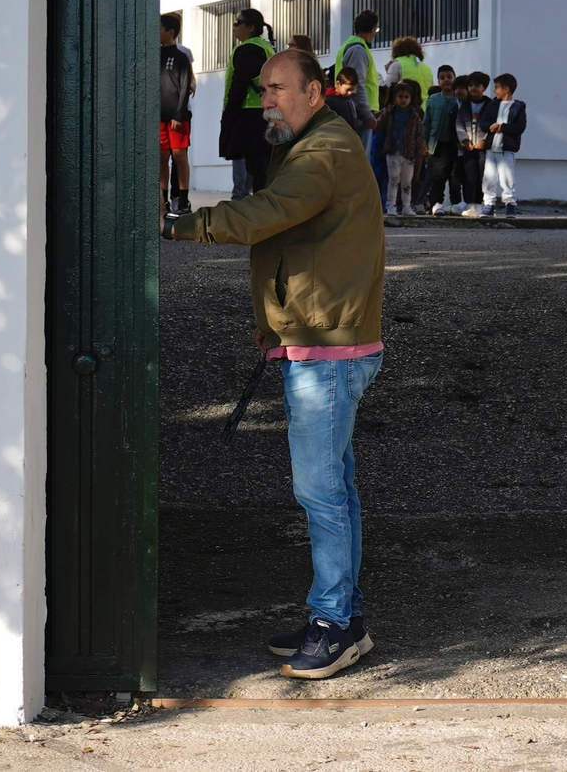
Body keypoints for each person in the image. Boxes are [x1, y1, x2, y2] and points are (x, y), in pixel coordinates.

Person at [162, 48, 386, 681]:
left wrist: (185, 225)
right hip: (317, 341)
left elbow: (269, 214)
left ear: (315, 91)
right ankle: (340, 616)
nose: (267, 100)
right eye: (262, 90)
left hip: (329, 351)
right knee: (333, 489)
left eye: (279, 89)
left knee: (321, 492)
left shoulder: (324, 151)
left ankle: (335, 623)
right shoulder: (312, 143)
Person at [220, 8, 276, 194]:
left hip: (250, 114)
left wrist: (229, 115)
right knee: (263, 169)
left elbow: (239, 85)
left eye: (238, 22)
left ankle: (261, 213)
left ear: (250, 27)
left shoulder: (248, 49)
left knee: (256, 169)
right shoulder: (266, 46)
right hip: (266, 113)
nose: (234, 26)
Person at [159, 13, 197, 217]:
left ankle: (183, 200)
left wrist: (179, 114)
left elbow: (185, 87)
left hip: (178, 117)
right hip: (159, 117)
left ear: (170, 32)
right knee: (162, 157)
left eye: (159, 28)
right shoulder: (153, 55)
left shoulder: (182, 56)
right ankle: (162, 200)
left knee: (179, 155)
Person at [334, 10, 381, 167]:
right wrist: (367, 114)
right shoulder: (359, 50)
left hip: (350, 110)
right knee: (359, 164)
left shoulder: (347, 46)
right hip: (359, 113)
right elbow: (358, 84)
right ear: (373, 29)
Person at [480, 72, 527, 218]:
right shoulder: (492, 105)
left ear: (506, 89)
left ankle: (510, 204)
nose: (495, 91)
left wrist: (502, 127)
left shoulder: (518, 107)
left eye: (497, 88)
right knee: (488, 178)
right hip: (491, 148)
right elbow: (483, 122)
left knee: (507, 178)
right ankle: (489, 204)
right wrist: (490, 127)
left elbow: (519, 128)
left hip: (506, 149)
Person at [377, 82, 426, 216]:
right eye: (400, 97)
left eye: (406, 97)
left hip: (409, 154)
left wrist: (421, 149)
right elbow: (378, 125)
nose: (403, 100)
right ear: (394, 97)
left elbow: (419, 134)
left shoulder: (414, 115)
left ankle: (406, 206)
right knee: (393, 179)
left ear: (410, 98)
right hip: (392, 152)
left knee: (407, 181)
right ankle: (391, 205)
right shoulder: (389, 113)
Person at [423, 66, 462, 214]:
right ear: (438, 81)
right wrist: (424, 143)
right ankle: (437, 203)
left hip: (456, 144)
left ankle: (456, 204)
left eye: (449, 77)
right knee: (438, 175)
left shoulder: (459, 100)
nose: (446, 80)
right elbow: (426, 123)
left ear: (454, 78)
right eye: (442, 77)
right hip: (438, 144)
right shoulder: (433, 100)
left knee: (455, 176)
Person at [455, 71, 492, 217]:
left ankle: (484, 204)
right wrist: (464, 140)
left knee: (483, 176)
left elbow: (492, 125)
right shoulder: (464, 105)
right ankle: (471, 205)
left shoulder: (490, 104)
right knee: (469, 177)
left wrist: (485, 141)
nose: (473, 88)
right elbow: (459, 123)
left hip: (483, 148)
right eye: (470, 85)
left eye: (477, 85)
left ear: (484, 87)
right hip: (468, 147)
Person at [326, 68, 375, 149]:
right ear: (338, 83)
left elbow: (353, 121)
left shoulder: (350, 100)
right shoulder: (329, 101)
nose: (350, 93)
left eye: (353, 90)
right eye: (348, 89)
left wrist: (364, 124)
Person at [384, 37, 434, 108]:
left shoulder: (397, 64)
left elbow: (387, 86)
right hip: (424, 109)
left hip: (406, 109)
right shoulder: (426, 68)